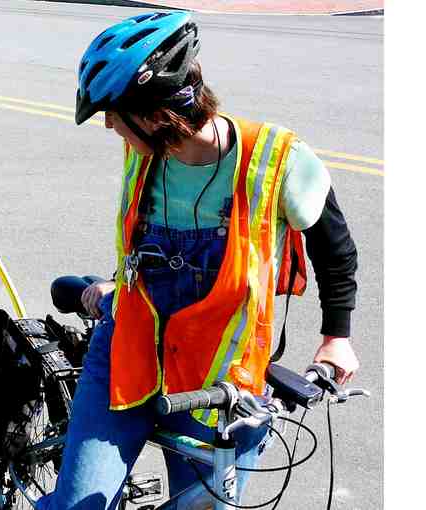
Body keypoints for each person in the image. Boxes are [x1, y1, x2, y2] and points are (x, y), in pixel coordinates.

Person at [37, 11, 360, 510]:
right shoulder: (144, 152)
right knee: (78, 507)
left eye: (112, 113)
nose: (107, 125)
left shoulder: (275, 159)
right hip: (127, 355)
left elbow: (333, 245)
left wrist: (336, 339)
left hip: (220, 384)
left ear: (151, 114)